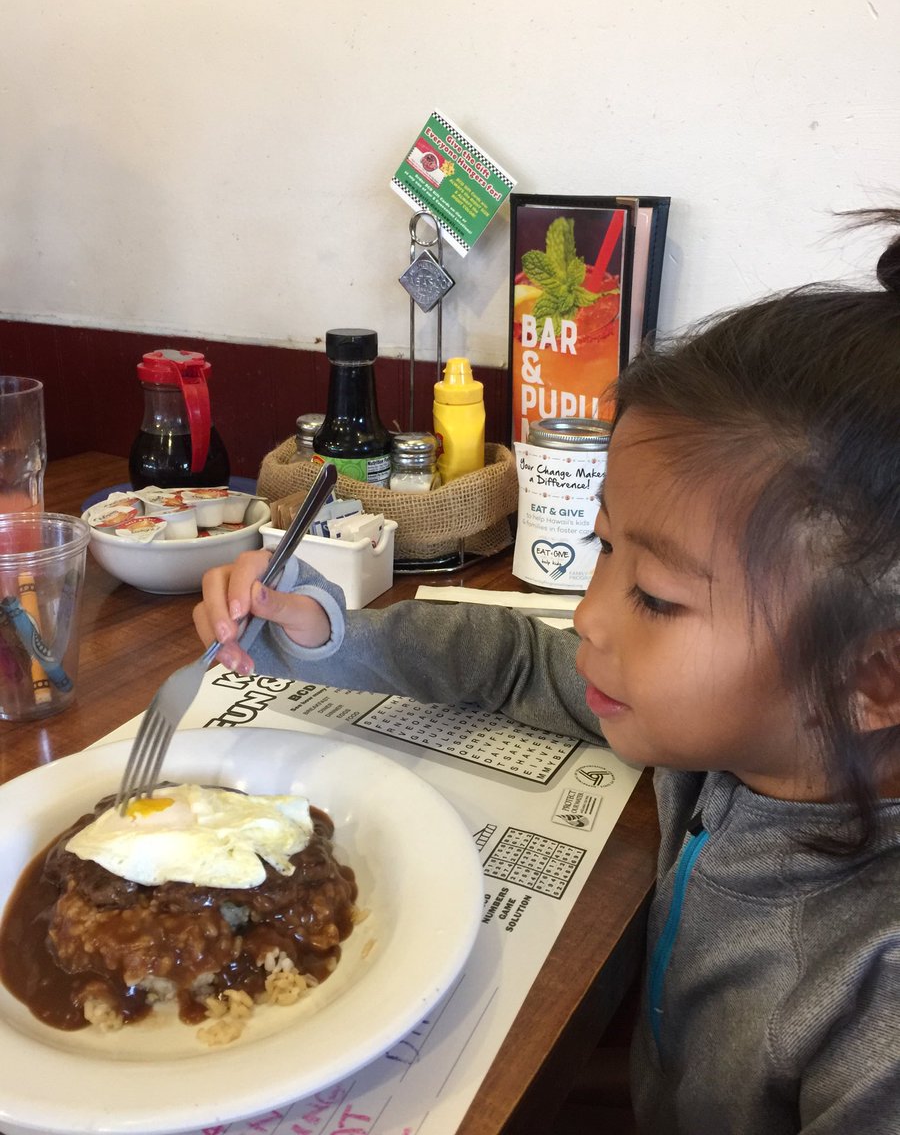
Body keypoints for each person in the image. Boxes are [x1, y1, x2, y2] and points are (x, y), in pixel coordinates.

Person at [195, 213, 900, 1134]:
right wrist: (330, 630)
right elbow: (518, 659)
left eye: (653, 596)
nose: (588, 614)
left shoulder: (874, 1006)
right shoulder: (738, 743)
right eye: (602, 546)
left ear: (875, 677)